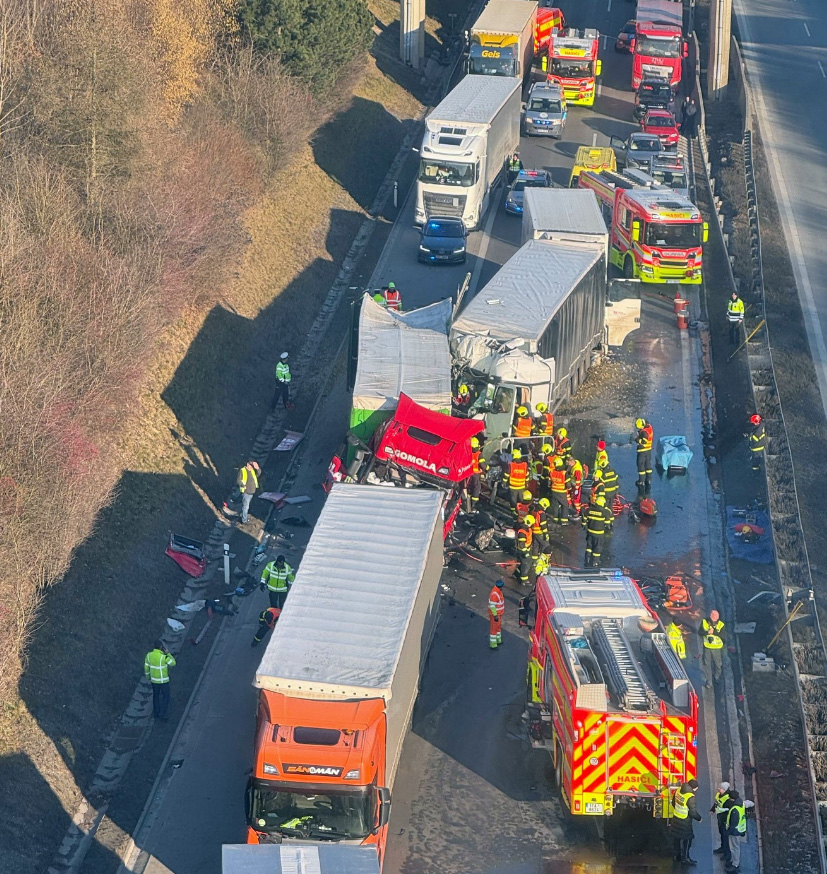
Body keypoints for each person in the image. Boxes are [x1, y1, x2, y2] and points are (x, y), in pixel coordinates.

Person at [670, 778, 701, 864]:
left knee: (676, 838)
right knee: (687, 839)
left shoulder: (679, 790)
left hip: (676, 818)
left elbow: (673, 803)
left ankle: (676, 856)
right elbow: (692, 812)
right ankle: (685, 858)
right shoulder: (690, 796)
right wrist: (699, 818)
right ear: (693, 788)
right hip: (685, 821)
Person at [144, 640, 176, 721]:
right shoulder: (163, 657)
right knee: (166, 697)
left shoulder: (149, 656)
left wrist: (148, 677)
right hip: (164, 681)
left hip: (154, 681)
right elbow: (173, 663)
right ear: (161, 647)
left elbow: (146, 668)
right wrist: (168, 653)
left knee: (156, 697)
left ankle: (156, 713)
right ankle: (162, 713)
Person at [583, 494, 612, 567]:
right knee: (597, 547)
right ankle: (595, 562)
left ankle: (587, 559)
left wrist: (584, 525)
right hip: (599, 534)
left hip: (590, 532)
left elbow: (584, 519)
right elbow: (608, 524)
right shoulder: (605, 512)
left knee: (589, 546)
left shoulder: (589, 510)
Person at [700, 609, 726, 686]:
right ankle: (709, 682)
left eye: (714, 615)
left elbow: (723, 636)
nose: (712, 616)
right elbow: (700, 632)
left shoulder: (721, 625)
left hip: (717, 649)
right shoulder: (704, 622)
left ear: (718, 617)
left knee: (718, 665)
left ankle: (717, 677)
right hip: (707, 647)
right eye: (711, 614)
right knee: (706, 664)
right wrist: (707, 632)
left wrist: (713, 632)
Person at [725, 790, 748, 872]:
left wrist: (728, 832)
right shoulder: (741, 804)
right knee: (735, 848)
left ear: (732, 799)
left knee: (734, 848)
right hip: (739, 830)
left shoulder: (735, 809)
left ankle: (735, 864)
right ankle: (735, 862)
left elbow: (733, 823)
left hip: (734, 831)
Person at [711, 781, 732, 858]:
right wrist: (712, 809)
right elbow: (716, 803)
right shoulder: (719, 795)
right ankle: (722, 848)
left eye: (720, 788)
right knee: (722, 835)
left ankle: (727, 854)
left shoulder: (728, 799)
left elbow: (729, 810)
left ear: (724, 790)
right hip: (720, 819)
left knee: (726, 838)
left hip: (725, 821)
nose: (718, 788)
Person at [549, 456, 571, 525]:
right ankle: (564, 520)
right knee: (564, 505)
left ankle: (555, 518)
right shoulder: (564, 473)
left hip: (553, 491)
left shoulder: (552, 472)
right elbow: (568, 484)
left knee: (555, 505)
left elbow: (549, 483)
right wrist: (569, 489)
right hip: (561, 492)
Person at [466, 436, 486, 512]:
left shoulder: (468, 453)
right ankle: (474, 504)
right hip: (476, 474)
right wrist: (487, 468)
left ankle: (466, 501)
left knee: (468, 486)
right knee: (476, 487)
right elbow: (482, 465)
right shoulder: (478, 454)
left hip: (468, 473)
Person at [634, 417, 654, 489]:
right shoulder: (649, 427)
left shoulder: (644, 432)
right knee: (648, 465)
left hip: (642, 451)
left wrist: (637, 439)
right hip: (648, 450)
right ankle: (648, 480)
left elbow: (643, 441)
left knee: (641, 465)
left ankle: (641, 481)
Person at [516, 516, 535, 586]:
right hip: (522, 551)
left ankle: (517, 573)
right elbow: (521, 544)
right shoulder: (522, 532)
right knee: (526, 563)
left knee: (528, 561)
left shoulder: (527, 529)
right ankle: (524, 580)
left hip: (527, 549)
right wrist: (525, 552)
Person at [488, 580, 505, 648]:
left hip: (499, 614)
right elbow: (492, 606)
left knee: (498, 627)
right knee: (494, 629)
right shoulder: (495, 594)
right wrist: (495, 615)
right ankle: (493, 644)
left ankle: (498, 640)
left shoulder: (498, 591)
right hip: (495, 614)